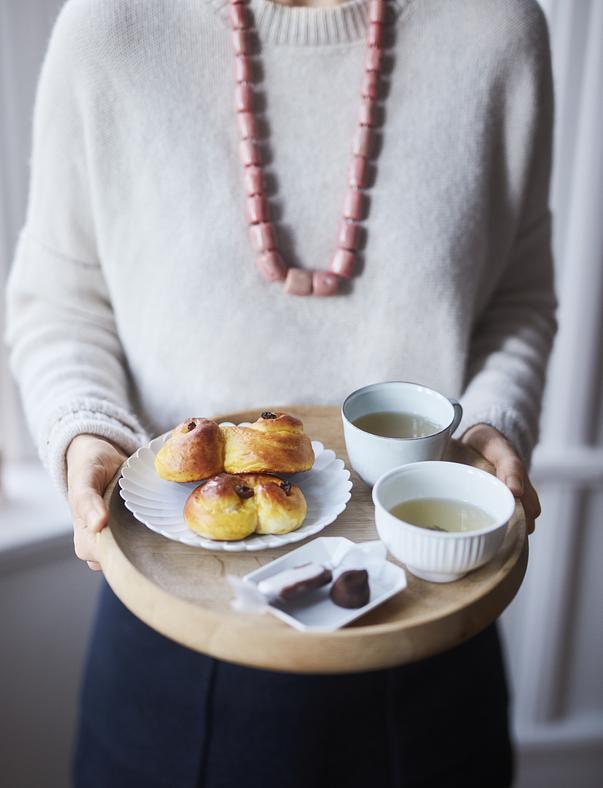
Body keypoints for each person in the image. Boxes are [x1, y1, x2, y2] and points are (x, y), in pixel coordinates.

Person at [5, 0, 556, 785]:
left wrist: (496, 419)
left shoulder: (495, 29)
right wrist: (84, 425)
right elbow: (58, 298)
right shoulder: (112, 27)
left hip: (425, 618)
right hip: (175, 626)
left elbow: (518, 298)